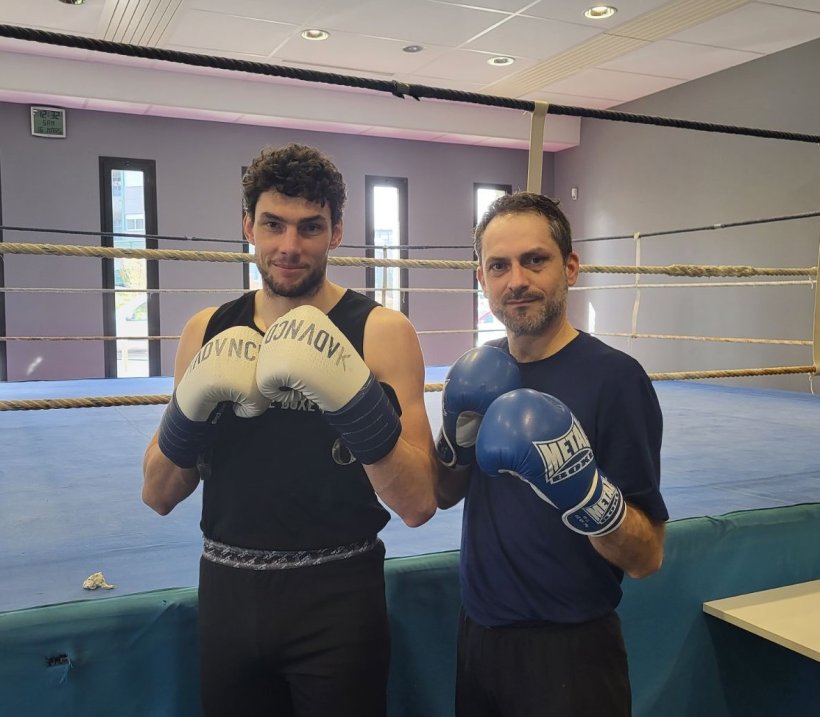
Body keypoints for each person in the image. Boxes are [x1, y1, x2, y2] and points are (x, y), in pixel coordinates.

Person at [142, 143, 438, 717]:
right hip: (228, 591)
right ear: (248, 224)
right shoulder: (206, 331)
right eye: (273, 224)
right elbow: (157, 493)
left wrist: (353, 402)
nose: (289, 247)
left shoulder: (381, 332)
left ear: (337, 232)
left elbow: (420, 501)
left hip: (340, 596)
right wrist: (191, 409)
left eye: (310, 228)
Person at [435, 191, 668, 716]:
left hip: (572, 654)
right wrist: (454, 435)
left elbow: (647, 556)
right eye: (499, 266)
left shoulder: (616, 380)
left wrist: (586, 494)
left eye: (534, 260)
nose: (516, 280)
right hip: (478, 637)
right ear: (482, 280)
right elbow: (445, 494)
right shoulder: (479, 368)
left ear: (570, 267)